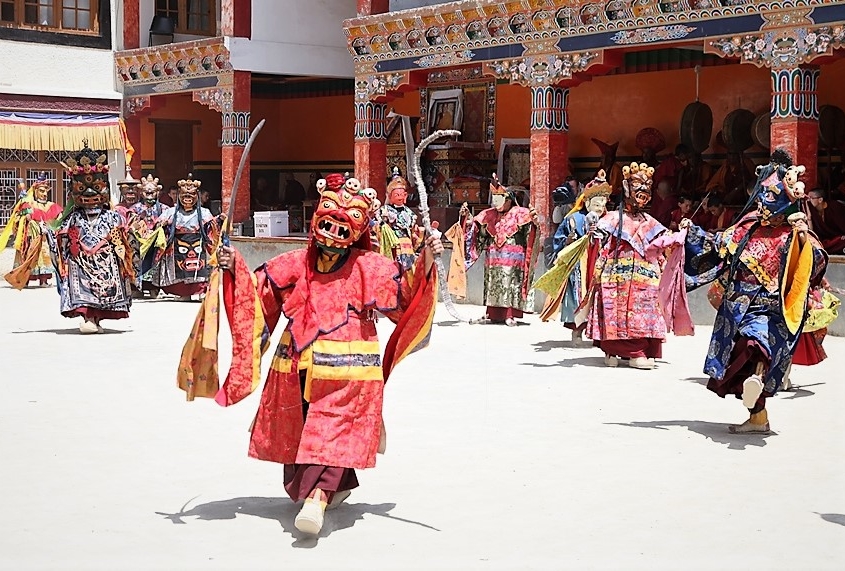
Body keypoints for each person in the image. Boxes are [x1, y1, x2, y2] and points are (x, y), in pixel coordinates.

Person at [212, 172, 442, 536]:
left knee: (331, 429)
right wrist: (232, 267)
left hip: (349, 374)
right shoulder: (291, 265)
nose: (334, 232)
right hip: (295, 368)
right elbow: (255, 300)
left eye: (343, 225)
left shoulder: (371, 268)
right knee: (304, 431)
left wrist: (427, 257)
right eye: (328, 220)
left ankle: (318, 499)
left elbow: (407, 298)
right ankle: (337, 484)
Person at [682, 150, 828, 433]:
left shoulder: (795, 232)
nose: (763, 203)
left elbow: (816, 264)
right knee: (740, 360)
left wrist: (802, 239)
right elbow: (717, 245)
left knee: (756, 344)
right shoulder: (748, 227)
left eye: (770, 197)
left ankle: (758, 383)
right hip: (737, 306)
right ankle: (757, 415)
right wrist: (693, 233)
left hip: (773, 306)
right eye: (762, 196)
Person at [583, 162, 673, 370]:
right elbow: (597, 242)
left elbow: (663, 243)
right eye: (638, 185)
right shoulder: (612, 219)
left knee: (643, 309)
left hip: (644, 278)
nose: (643, 191)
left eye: (647, 187)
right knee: (616, 308)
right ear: (626, 188)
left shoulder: (651, 222)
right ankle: (620, 350)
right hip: (617, 275)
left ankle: (636, 350)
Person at [48, 142, 138, 333]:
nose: (89, 193)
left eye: (96, 187)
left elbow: (125, 238)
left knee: (106, 290)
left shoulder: (113, 217)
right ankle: (88, 317)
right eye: (82, 189)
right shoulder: (73, 217)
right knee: (83, 287)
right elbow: (61, 237)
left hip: (106, 261)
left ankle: (97, 318)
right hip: (80, 260)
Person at [451, 174, 539, 326]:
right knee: (492, 284)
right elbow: (478, 232)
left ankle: (509, 314)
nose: (496, 203)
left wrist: (535, 224)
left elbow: (530, 235)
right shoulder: (489, 214)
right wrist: (467, 219)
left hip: (514, 257)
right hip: (493, 257)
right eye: (495, 199)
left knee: (510, 284)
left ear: (509, 200)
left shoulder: (521, 213)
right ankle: (492, 313)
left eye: (500, 199)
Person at [542, 171, 611, 342]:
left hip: (601, 263)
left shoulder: (610, 220)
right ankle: (577, 330)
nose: (600, 207)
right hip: (580, 264)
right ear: (586, 202)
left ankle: (599, 335)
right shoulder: (573, 219)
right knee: (578, 295)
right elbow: (559, 240)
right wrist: (568, 241)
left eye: (603, 203)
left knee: (601, 297)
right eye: (596, 202)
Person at [149, 174, 222, 301]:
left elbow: (212, 228)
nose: (187, 199)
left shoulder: (204, 213)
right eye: (184, 196)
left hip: (197, 244)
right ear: (179, 196)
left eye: (191, 196)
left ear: (197, 196)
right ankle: (184, 294)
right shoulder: (171, 212)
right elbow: (157, 225)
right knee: (180, 269)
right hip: (178, 245)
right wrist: (162, 225)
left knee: (199, 269)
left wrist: (219, 221)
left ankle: (200, 292)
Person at [0, 172, 63, 288]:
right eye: (41, 191)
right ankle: (25, 280)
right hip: (31, 238)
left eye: (45, 191)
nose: (44, 194)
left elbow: (59, 220)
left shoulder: (51, 205)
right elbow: (18, 217)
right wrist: (26, 219)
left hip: (45, 238)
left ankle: (43, 281)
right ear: (35, 191)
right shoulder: (29, 204)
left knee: (44, 257)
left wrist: (55, 226)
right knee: (28, 257)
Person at [375, 168, 426, 272]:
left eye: (402, 195)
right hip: (392, 243)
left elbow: (412, 229)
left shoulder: (410, 213)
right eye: (396, 195)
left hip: (407, 243)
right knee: (393, 267)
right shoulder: (384, 210)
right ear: (390, 196)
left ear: (405, 196)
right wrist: (386, 222)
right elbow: (379, 228)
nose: (399, 197)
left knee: (409, 269)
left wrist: (418, 233)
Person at [130, 174, 166, 297]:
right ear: (141, 193)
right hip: (140, 243)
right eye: (147, 193)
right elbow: (130, 225)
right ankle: (137, 288)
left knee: (155, 264)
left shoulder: (164, 209)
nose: (149, 195)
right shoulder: (135, 209)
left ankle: (153, 288)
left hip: (156, 243)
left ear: (158, 193)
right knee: (138, 264)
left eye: (152, 193)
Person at [806, 188, 845, 254]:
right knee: (817, 244)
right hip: (825, 240)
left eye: (811, 198)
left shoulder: (835, 207)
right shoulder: (812, 210)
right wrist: (809, 216)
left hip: (838, 238)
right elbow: (812, 231)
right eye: (807, 198)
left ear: (820, 200)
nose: (808, 200)